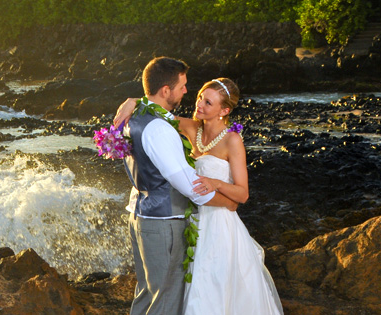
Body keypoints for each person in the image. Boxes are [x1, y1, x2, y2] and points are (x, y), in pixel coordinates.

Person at [115, 78, 283, 314]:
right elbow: (157, 111)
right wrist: (133, 101)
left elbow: (242, 194)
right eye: (199, 98)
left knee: (213, 288)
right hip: (191, 221)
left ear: (224, 111)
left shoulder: (232, 141)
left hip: (219, 226)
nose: (199, 105)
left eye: (208, 102)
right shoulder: (192, 127)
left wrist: (216, 183)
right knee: (183, 288)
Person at [120, 57, 239, 315]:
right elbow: (189, 185)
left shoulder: (135, 117)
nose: (187, 91)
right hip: (163, 222)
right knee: (165, 300)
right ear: (166, 91)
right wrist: (228, 202)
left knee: (147, 294)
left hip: (140, 214)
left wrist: (135, 100)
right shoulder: (160, 129)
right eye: (182, 86)